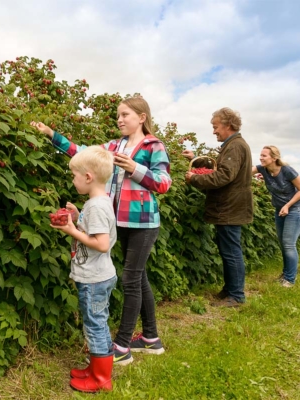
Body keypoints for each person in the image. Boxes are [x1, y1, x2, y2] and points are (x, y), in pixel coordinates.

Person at [31, 95, 171, 367]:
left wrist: (135, 168)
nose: (119, 119)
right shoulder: (114, 145)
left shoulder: (153, 146)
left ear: (141, 117)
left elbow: (164, 183)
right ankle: (151, 339)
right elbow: (83, 154)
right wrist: (51, 134)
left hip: (143, 222)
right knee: (138, 278)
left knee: (130, 279)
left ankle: (121, 345)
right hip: (119, 220)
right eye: (118, 115)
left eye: (125, 115)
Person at [49, 146, 117, 393]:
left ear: (88, 177)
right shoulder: (95, 203)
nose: (72, 180)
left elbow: (100, 243)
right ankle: (96, 369)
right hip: (97, 275)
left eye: (74, 175)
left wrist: (71, 231)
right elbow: (93, 231)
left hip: (94, 279)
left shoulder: (97, 206)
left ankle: (101, 379)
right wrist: (78, 217)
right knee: (98, 322)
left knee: (94, 324)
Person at [183, 107, 253, 307]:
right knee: (227, 249)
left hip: (230, 207)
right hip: (230, 207)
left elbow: (223, 176)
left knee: (231, 250)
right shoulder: (233, 145)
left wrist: (195, 178)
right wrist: (195, 158)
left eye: (216, 127)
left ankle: (237, 295)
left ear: (228, 125)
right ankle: (231, 289)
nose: (214, 131)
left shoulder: (235, 146)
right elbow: (222, 167)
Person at [252, 146, 300, 287]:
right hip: (279, 210)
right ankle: (286, 274)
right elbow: (243, 172)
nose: (261, 158)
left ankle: (290, 279)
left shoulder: (287, 171)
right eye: (260, 155)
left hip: (295, 210)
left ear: (274, 158)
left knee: (288, 244)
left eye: (264, 155)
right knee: (283, 244)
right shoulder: (262, 169)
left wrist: (287, 205)